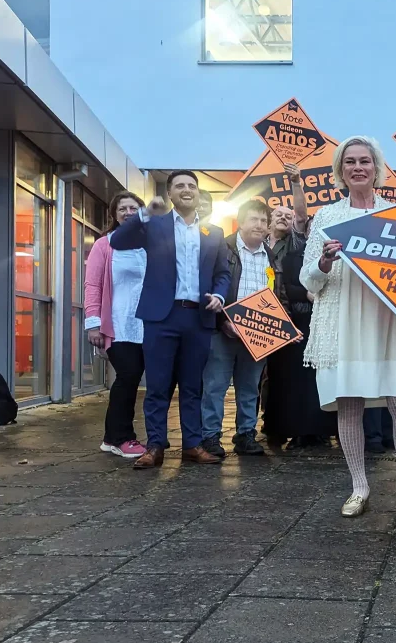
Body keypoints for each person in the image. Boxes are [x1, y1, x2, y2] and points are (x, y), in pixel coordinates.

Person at [300, 136, 396, 520]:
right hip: (343, 319)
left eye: (364, 161)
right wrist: (324, 262)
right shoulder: (326, 217)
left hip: (387, 320)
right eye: (350, 162)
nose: (358, 167)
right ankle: (359, 488)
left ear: (377, 168)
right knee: (350, 404)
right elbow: (308, 280)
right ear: (340, 171)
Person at [110, 170, 230, 469]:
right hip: (161, 317)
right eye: (180, 186)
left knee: (192, 386)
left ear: (198, 193)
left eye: (192, 186)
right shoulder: (155, 225)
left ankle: (192, 445)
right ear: (170, 194)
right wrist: (144, 213)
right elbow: (119, 241)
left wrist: (219, 295)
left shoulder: (213, 232)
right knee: (158, 386)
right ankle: (155, 446)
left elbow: (223, 273)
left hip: (198, 317)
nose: (187, 190)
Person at [199, 199, 279, 458]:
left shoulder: (271, 256)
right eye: (254, 219)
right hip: (224, 331)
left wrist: (280, 327)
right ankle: (210, 437)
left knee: (249, 388)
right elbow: (208, 287)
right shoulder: (222, 249)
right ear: (241, 222)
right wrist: (222, 321)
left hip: (258, 335)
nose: (260, 225)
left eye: (264, 221)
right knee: (215, 386)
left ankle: (245, 435)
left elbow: (279, 296)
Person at [262, 215, 338, 450]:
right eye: (313, 228)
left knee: (321, 381)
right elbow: (284, 287)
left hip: (326, 325)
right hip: (297, 323)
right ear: (306, 232)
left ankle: (322, 431)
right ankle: (297, 431)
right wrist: (306, 294)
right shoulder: (293, 256)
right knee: (295, 382)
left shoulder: (338, 257)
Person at [84, 191, 148, 459]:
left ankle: (113, 438)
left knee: (137, 380)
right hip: (119, 325)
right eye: (122, 209)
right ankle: (120, 437)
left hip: (148, 325)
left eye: (134, 208)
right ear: (114, 215)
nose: (128, 212)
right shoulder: (104, 244)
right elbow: (93, 285)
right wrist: (93, 324)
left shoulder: (151, 243)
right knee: (128, 376)